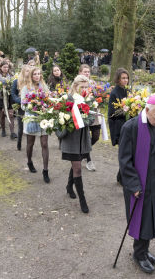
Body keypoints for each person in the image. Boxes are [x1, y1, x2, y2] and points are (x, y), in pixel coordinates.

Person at [118, 94, 155, 274]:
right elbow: (124, 160)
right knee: (141, 219)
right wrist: (133, 185)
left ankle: (144, 250)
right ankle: (139, 254)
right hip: (139, 185)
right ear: (147, 111)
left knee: (152, 217)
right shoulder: (131, 127)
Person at [60, 75, 94, 213]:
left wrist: (84, 120)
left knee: (77, 163)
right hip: (71, 139)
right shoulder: (67, 99)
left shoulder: (88, 100)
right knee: (78, 167)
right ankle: (82, 200)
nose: (85, 89)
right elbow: (61, 118)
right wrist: (73, 121)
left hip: (83, 139)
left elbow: (91, 118)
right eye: (82, 87)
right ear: (75, 86)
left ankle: (69, 186)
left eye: (86, 87)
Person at [20, 67, 50, 183]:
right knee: (30, 143)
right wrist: (33, 105)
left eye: (39, 74)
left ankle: (45, 170)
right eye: (35, 74)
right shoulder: (26, 88)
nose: (37, 76)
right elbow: (23, 105)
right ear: (31, 76)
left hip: (43, 118)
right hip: (31, 118)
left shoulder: (44, 87)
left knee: (44, 144)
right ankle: (29, 161)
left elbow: (48, 100)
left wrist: (45, 105)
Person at [108, 68, 129, 184]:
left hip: (129, 124)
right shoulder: (114, 93)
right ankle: (121, 177)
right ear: (118, 79)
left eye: (127, 78)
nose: (125, 80)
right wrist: (125, 109)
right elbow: (112, 113)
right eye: (123, 78)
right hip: (119, 125)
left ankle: (120, 175)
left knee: (128, 151)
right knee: (124, 152)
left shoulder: (128, 91)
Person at [78, 64, 100, 171]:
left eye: (88, 72)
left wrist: (100, 98)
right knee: (85, 137)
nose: (87, 73)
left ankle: (83, 153)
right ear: (80, 73)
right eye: (84, 72)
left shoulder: (94, 84)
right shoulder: (77, 84)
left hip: (94, 113)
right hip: (83, 113)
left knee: (96, 136)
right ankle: (88, 160)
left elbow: (99, 95)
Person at [12, 64, 33, 151]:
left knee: (30, 125)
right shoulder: (17, 81)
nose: (29, 72)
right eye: (27, 71)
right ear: (23, 72)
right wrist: (20, 100)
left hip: (31, 105)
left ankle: (29, 145)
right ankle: (19, 142)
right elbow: (13, 94)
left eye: (30, 71)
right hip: (21, 105)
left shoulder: (32, 82)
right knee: (20, 125)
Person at [0, 60, 16, 139]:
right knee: (2, 114)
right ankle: (3, 129)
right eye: (4, 67)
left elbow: (14, 85)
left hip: (10, 98)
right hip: (0, 98)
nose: (6, 68)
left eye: (7, 67)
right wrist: (0, 90)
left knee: (11, 114)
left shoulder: (11, 75)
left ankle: (12, 132)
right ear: (1, 67)